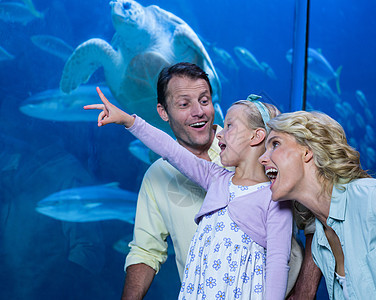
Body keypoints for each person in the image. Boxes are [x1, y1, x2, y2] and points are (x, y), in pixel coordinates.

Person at [86, 81, 307, 299]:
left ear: (256, 136)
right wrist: (128, 121)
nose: (219, 133)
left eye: (229, 126)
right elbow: (171, 151)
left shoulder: (275, 198)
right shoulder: (216, 178)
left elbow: (278, 263)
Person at [259, 110, 376, 299]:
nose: (262, 158)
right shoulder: (320, 244)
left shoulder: (375, 200)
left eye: (275, 144)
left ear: (307, 151)